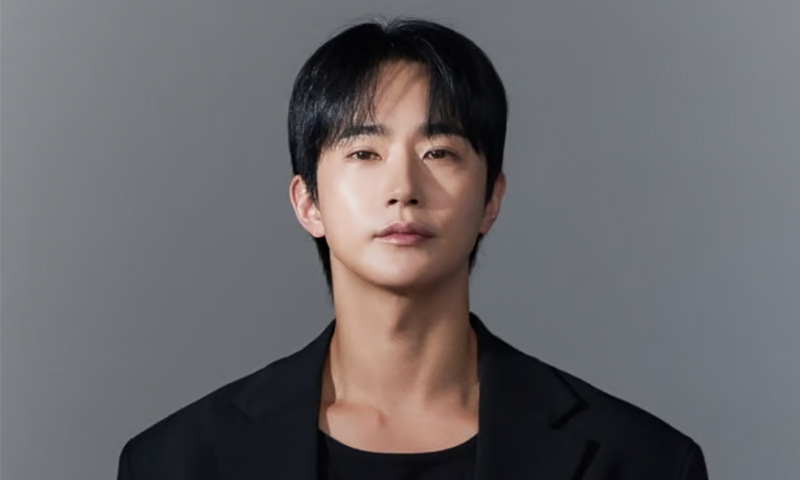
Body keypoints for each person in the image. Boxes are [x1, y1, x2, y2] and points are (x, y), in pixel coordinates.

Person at [116, 18, 709, 480]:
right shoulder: (178, 461)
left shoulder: (643, 461)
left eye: (439, 153)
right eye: (364, 153)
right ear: (308, 202)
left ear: (491, 200)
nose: (403, 188)